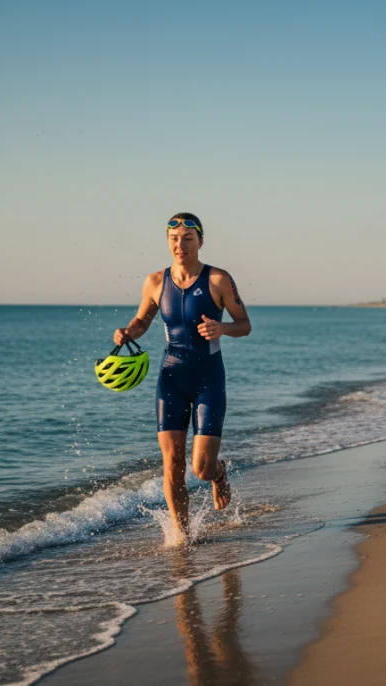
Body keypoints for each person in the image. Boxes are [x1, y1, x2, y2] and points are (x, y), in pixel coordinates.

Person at [114, 212, 251, 541]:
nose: (180, 245)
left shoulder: (218, 280)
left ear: (200, 242)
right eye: (174, 239)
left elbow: (244, 324)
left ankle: (218, 473)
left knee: (200, 468)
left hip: (208, 380)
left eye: (188, 239)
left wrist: (223, 329)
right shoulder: (155, 282)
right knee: (172, 461)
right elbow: (142, 322)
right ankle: (182, 534)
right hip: (171, 378)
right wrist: (126, 333)